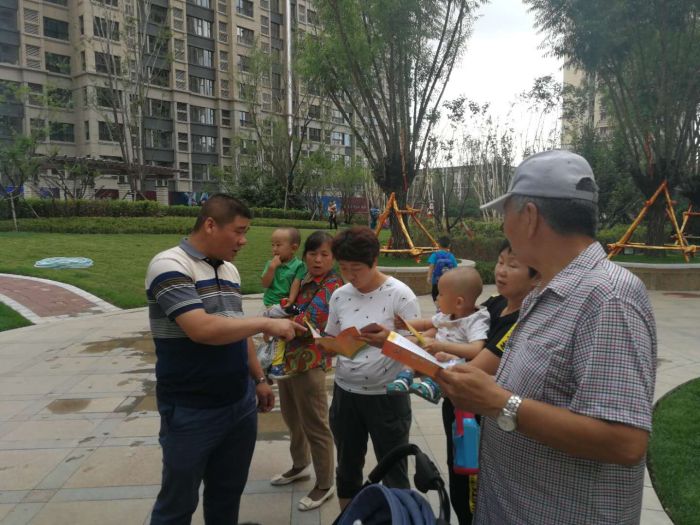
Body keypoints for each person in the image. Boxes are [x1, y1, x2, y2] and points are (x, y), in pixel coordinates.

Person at [436, 150, 657, 524]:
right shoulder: (545, 291)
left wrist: (499, 403)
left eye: (505, 213)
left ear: (530, 217)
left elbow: (625, 441)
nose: (503, 226)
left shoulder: (608, 297)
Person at [145, 194, 305, 525]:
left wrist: (259, 379)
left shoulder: (229, 270)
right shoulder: (170, 265)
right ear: (210, 225)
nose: (244, 241)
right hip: (191, 409)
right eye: (239, 231)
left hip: (239, 404)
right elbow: (201, 329)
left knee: (227, 495)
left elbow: (235, 328)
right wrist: (266, 323)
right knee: (177, 504)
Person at [436, 241, 538, 524]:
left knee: (472, 495)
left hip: (480, 420)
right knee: (457, 480)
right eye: (500, 261)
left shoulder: (522, 319)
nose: (501, 271)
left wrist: (424, 356)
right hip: (458, 409)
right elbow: (454, 326)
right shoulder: (495, 304)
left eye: (513, 265)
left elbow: (474, 369)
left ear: (536, 276)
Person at [324, 226, 421, 510]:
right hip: (346, 394)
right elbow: (331, 336)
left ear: (374, 261)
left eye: (356, 269)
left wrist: (387, 341)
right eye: (343, 268)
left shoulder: (400, 295)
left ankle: (398, 516)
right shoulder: (340, 295)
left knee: (394, 470)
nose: (350, 276)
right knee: (347, 467)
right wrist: (328, 344)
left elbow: (419, 350)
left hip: (387, 396)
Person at [270, 231, 343, 511]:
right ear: (304, 256)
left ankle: (325, 482)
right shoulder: (304, 280)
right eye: (313, 254)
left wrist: (274, 319)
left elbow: (312, 319)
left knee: (315, 423)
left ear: (333, 258)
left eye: (325, 254)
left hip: (311, 362)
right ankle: (300, 465)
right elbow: (289, 306)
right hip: (288, 359)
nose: (318, 259)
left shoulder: (333, 285)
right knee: (292, 418)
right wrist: (279, 314)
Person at [387, 267, 490, 404]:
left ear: (458, 302)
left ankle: (433, 387)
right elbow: (425, 323)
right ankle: (404, 378)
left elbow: (475, 349)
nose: (436, 298)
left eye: (441, 294)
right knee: (414, 349)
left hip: (454, 360)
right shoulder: (446, 315)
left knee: (450, 364)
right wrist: (405, 324)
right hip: (435, 354)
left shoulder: (476, 321)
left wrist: (442, 346)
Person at [260, 227, 306, 378]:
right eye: (273, 245)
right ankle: (276, 364)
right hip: (272, 305)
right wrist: (272, 268)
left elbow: (296, 284)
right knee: (281, 330)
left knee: (278, 335)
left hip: (285, 304)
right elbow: (265, 284)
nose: (274, 249)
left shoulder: (298, 265)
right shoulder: (271, 263)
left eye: (278, 245)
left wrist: (291, 300)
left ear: (294, 248)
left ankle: (272, 362)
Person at [427, 236, 459, 303]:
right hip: (448, 282)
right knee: (447, 295)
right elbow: (455, 268)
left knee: (435, 295)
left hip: (436, 281)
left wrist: (429, 277)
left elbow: (431, 267)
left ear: (438, 245)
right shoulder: (451, 256)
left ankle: (438, 306)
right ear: (449, 245)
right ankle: (446, 306)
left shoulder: (434, 255)